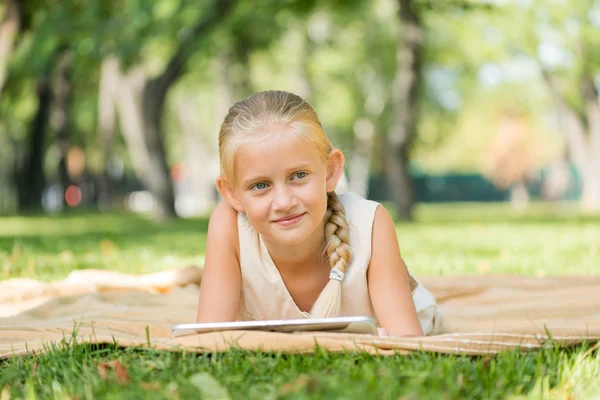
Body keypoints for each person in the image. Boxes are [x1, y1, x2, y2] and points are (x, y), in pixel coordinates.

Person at [196, 90, 441, 337]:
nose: (283, 202)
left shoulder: (370, 223)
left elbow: (407, 338)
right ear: (232, 193)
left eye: (299, 175)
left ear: (331, 170)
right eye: (260, 185)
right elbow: (210, 337)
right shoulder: (228, 224)